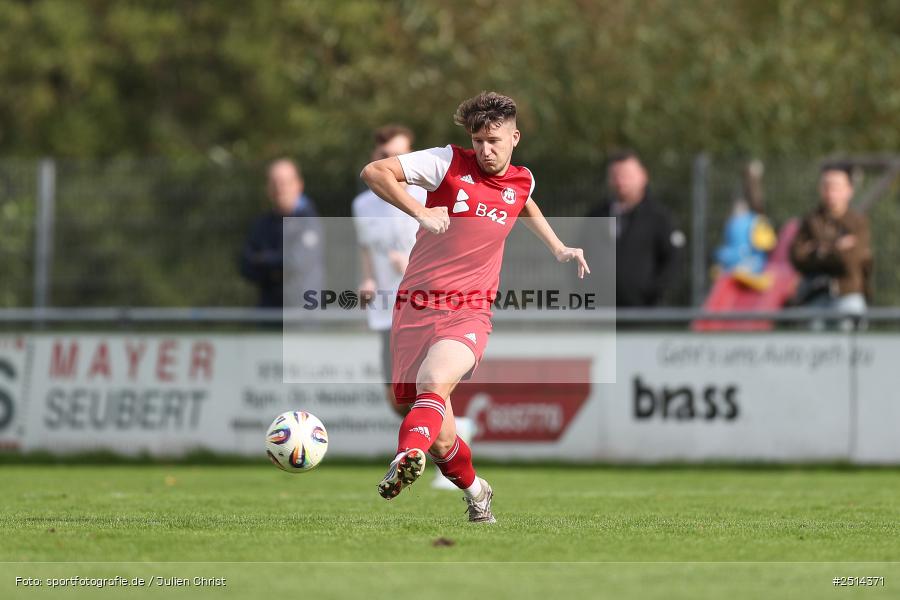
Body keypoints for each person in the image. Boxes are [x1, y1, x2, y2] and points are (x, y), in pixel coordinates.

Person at [360, 91, 589, 523]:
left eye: (494, 141)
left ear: (514, 138)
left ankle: (405, 456)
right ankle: (477, 491)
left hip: (469, 310)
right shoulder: (445, 162)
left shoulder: (522, 180)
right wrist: (420, 211)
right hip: (415, 306)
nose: (485, 150)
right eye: (478, 140)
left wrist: (558, 247)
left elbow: (523, 202)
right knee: (443, 439)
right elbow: (374, 172)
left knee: (432, 382)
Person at [352, 125, 474, 491]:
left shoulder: (429, 194)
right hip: (386, 311)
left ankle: (443, 463)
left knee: (430, 386)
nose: (390, 161)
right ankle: (455, 432)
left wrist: (410, 267)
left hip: (428, 305)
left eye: (397, 154)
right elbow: (367, 248)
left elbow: (452, 249)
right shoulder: (363, 204)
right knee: (398, 400)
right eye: (383, 155)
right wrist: (367, 279)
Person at [582, 150, 683, 307]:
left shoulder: (659, 217)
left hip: (644, 312)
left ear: (643, 176)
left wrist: (653, 294)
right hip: (601, 309)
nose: (620, 181)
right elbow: (581, 253)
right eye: (615, 176)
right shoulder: (596, 215)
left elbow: (673, 261)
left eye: (626, 175)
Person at [790, 163, 872, 328]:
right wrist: (837, 247)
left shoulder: (858, 222)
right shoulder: (811, 220)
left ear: (849, 190)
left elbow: (851, 259)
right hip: (814, 295)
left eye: (836, 186)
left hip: (847, 293)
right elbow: (797, 256)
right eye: (826, 186)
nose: (830, 192)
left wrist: (818, 250)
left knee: (851, 319)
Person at [240, 159, 323, 309]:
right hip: (269, 311)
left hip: (303, 312)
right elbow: (246, 267)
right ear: (268, 188)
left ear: (299, 185)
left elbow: (297, 263)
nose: (279, 188)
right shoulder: (261, 224)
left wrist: (263, 260)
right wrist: (279, 264)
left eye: (284, 183)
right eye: (274, 183)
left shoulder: (310, 223)